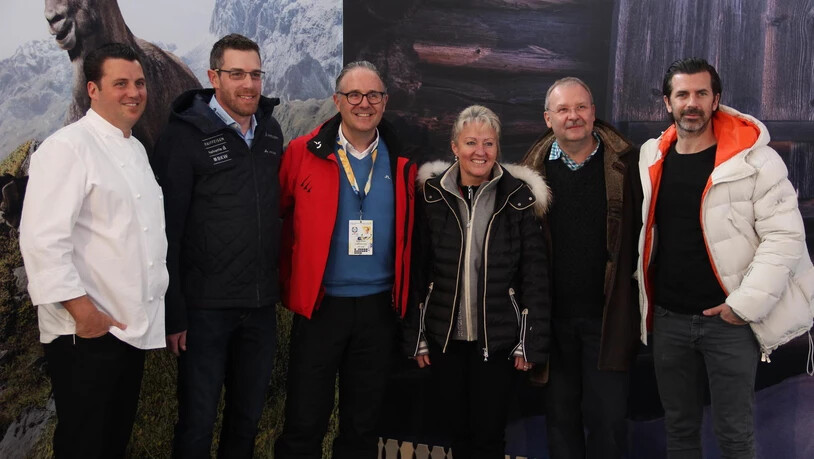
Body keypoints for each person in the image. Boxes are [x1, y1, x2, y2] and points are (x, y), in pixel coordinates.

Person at [637, 57, 814, 459]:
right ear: (668, 102)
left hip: (729, 323)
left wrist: (742, 307)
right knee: (679, 432)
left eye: (702, 93)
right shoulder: (651, 158)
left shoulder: (755, 161)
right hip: (669, 321)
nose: (692, 103)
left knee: (735, 436)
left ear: (716, 99)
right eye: (682, 94)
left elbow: (785, 237)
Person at [19, 42, 168, 458]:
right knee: (83, 443)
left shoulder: (134, 147)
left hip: (127, 326)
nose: (133, 92)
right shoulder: (68, 147)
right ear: (93, 89)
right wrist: (85, 316)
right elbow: (42, 240)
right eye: (119, 83)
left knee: (111, 441)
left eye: (138, 83)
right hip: (86, 330)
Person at [274, 61, 418, 459]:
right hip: (321, 308)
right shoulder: (302, 153)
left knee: (362, 425)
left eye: (373, 95)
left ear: (385, 102)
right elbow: (279, 216)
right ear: (338, 101)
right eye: (353, 95)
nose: (363, 103)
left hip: (378, 309)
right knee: (304, 421)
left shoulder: (403, 161)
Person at [150, 34, 284, 458]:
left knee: (245, 421)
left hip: (260, 307)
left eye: (256, 74)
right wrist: (174, 313)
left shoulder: (270, 131)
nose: (249, 84)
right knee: (197, 422)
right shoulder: (183, 136)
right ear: (214, 77)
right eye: (237, 74)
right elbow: (166, 230)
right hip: (205, 311)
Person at [403, 105, 550, 458]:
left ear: (498, 148)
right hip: (445, 341)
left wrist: (528, 341)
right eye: (471, 142)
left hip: (497, 343)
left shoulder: (517, 198)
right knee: (457, 435)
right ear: (454, 147)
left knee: (488, 438)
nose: (479, 152)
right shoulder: (431, 196)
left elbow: (535, 274)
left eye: (488, 143)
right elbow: (417, 270)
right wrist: (416, 335)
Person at [522, 77, 641, 459]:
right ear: (547, 118)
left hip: (607, 319)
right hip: (552, 323)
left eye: (581, 107)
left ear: (593, 111)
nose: (573, 116)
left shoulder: (629, 165)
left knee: (608, 423)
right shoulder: (529, 175)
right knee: (560, 422)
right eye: (563, 109)